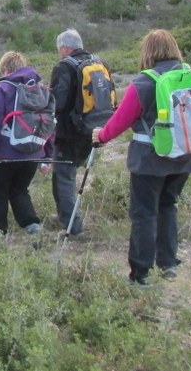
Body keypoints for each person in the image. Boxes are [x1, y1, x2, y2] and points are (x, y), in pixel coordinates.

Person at [92, 29, 191, 287]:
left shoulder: (143, 83)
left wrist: (101, 137)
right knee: (168, 205)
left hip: (149, 160)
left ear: (147, 52)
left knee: (144, 213)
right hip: (187, 156)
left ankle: (141, 273)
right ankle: (168, 263)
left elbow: (121, 121)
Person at [49, 28, 113, 235]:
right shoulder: (99, 63)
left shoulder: (64, 67)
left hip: (70, 132)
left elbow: (58, 103)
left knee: (64, 177)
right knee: (66, 174)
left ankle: (72, 227)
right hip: (94, 129)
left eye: (60, 49)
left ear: (65, 48)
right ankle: (64, 215)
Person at [0, 52, 49, 235]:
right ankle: (31, 225)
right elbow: (49, 123)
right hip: (33, 151)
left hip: (5, 153)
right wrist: (46, 156)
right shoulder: (39, 87)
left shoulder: (3, 88)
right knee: (20, 190)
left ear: (5, 69)